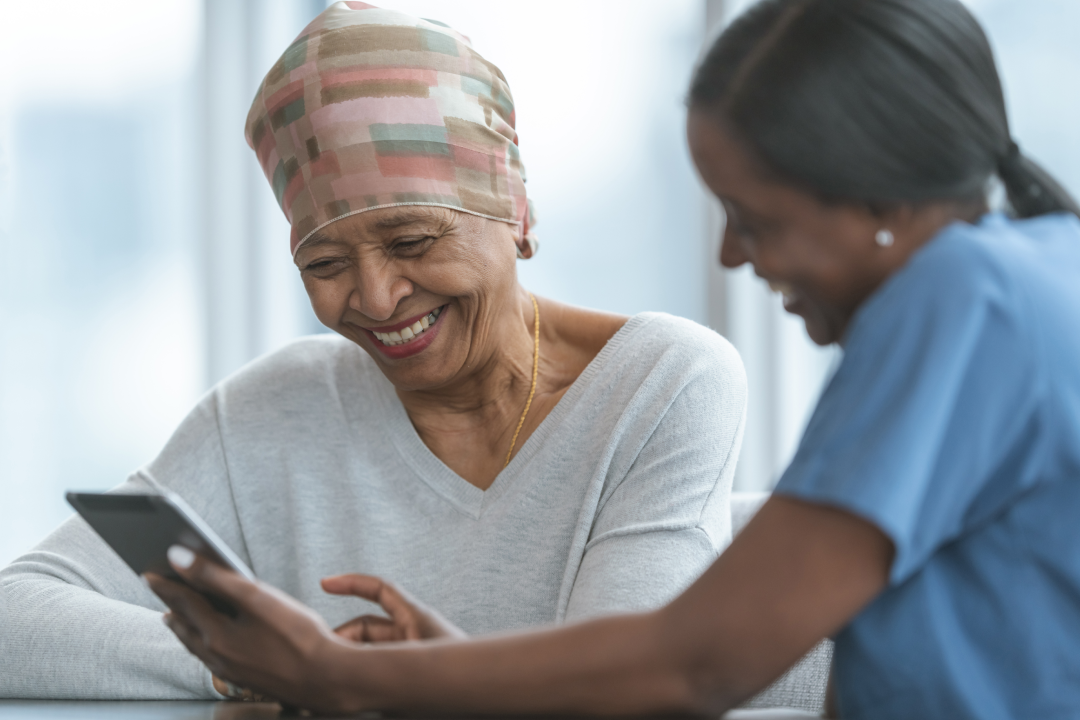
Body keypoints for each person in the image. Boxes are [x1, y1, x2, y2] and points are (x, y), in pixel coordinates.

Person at [147, 0, 1080, 718]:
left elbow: (699, 660)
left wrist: (336, 674)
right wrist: (433, 672)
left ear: (869, 186)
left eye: (755, 218)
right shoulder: (1035, 274)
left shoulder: (963, 308)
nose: (731, 256)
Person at [0, 3, 749, 700]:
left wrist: (341, 676)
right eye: (324, 264)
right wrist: (271, 670)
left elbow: (614, 695)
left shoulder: (663, 383)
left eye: (412, 241)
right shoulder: (275, 408)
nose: (378, 296)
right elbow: (15, 618)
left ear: (514, 208)